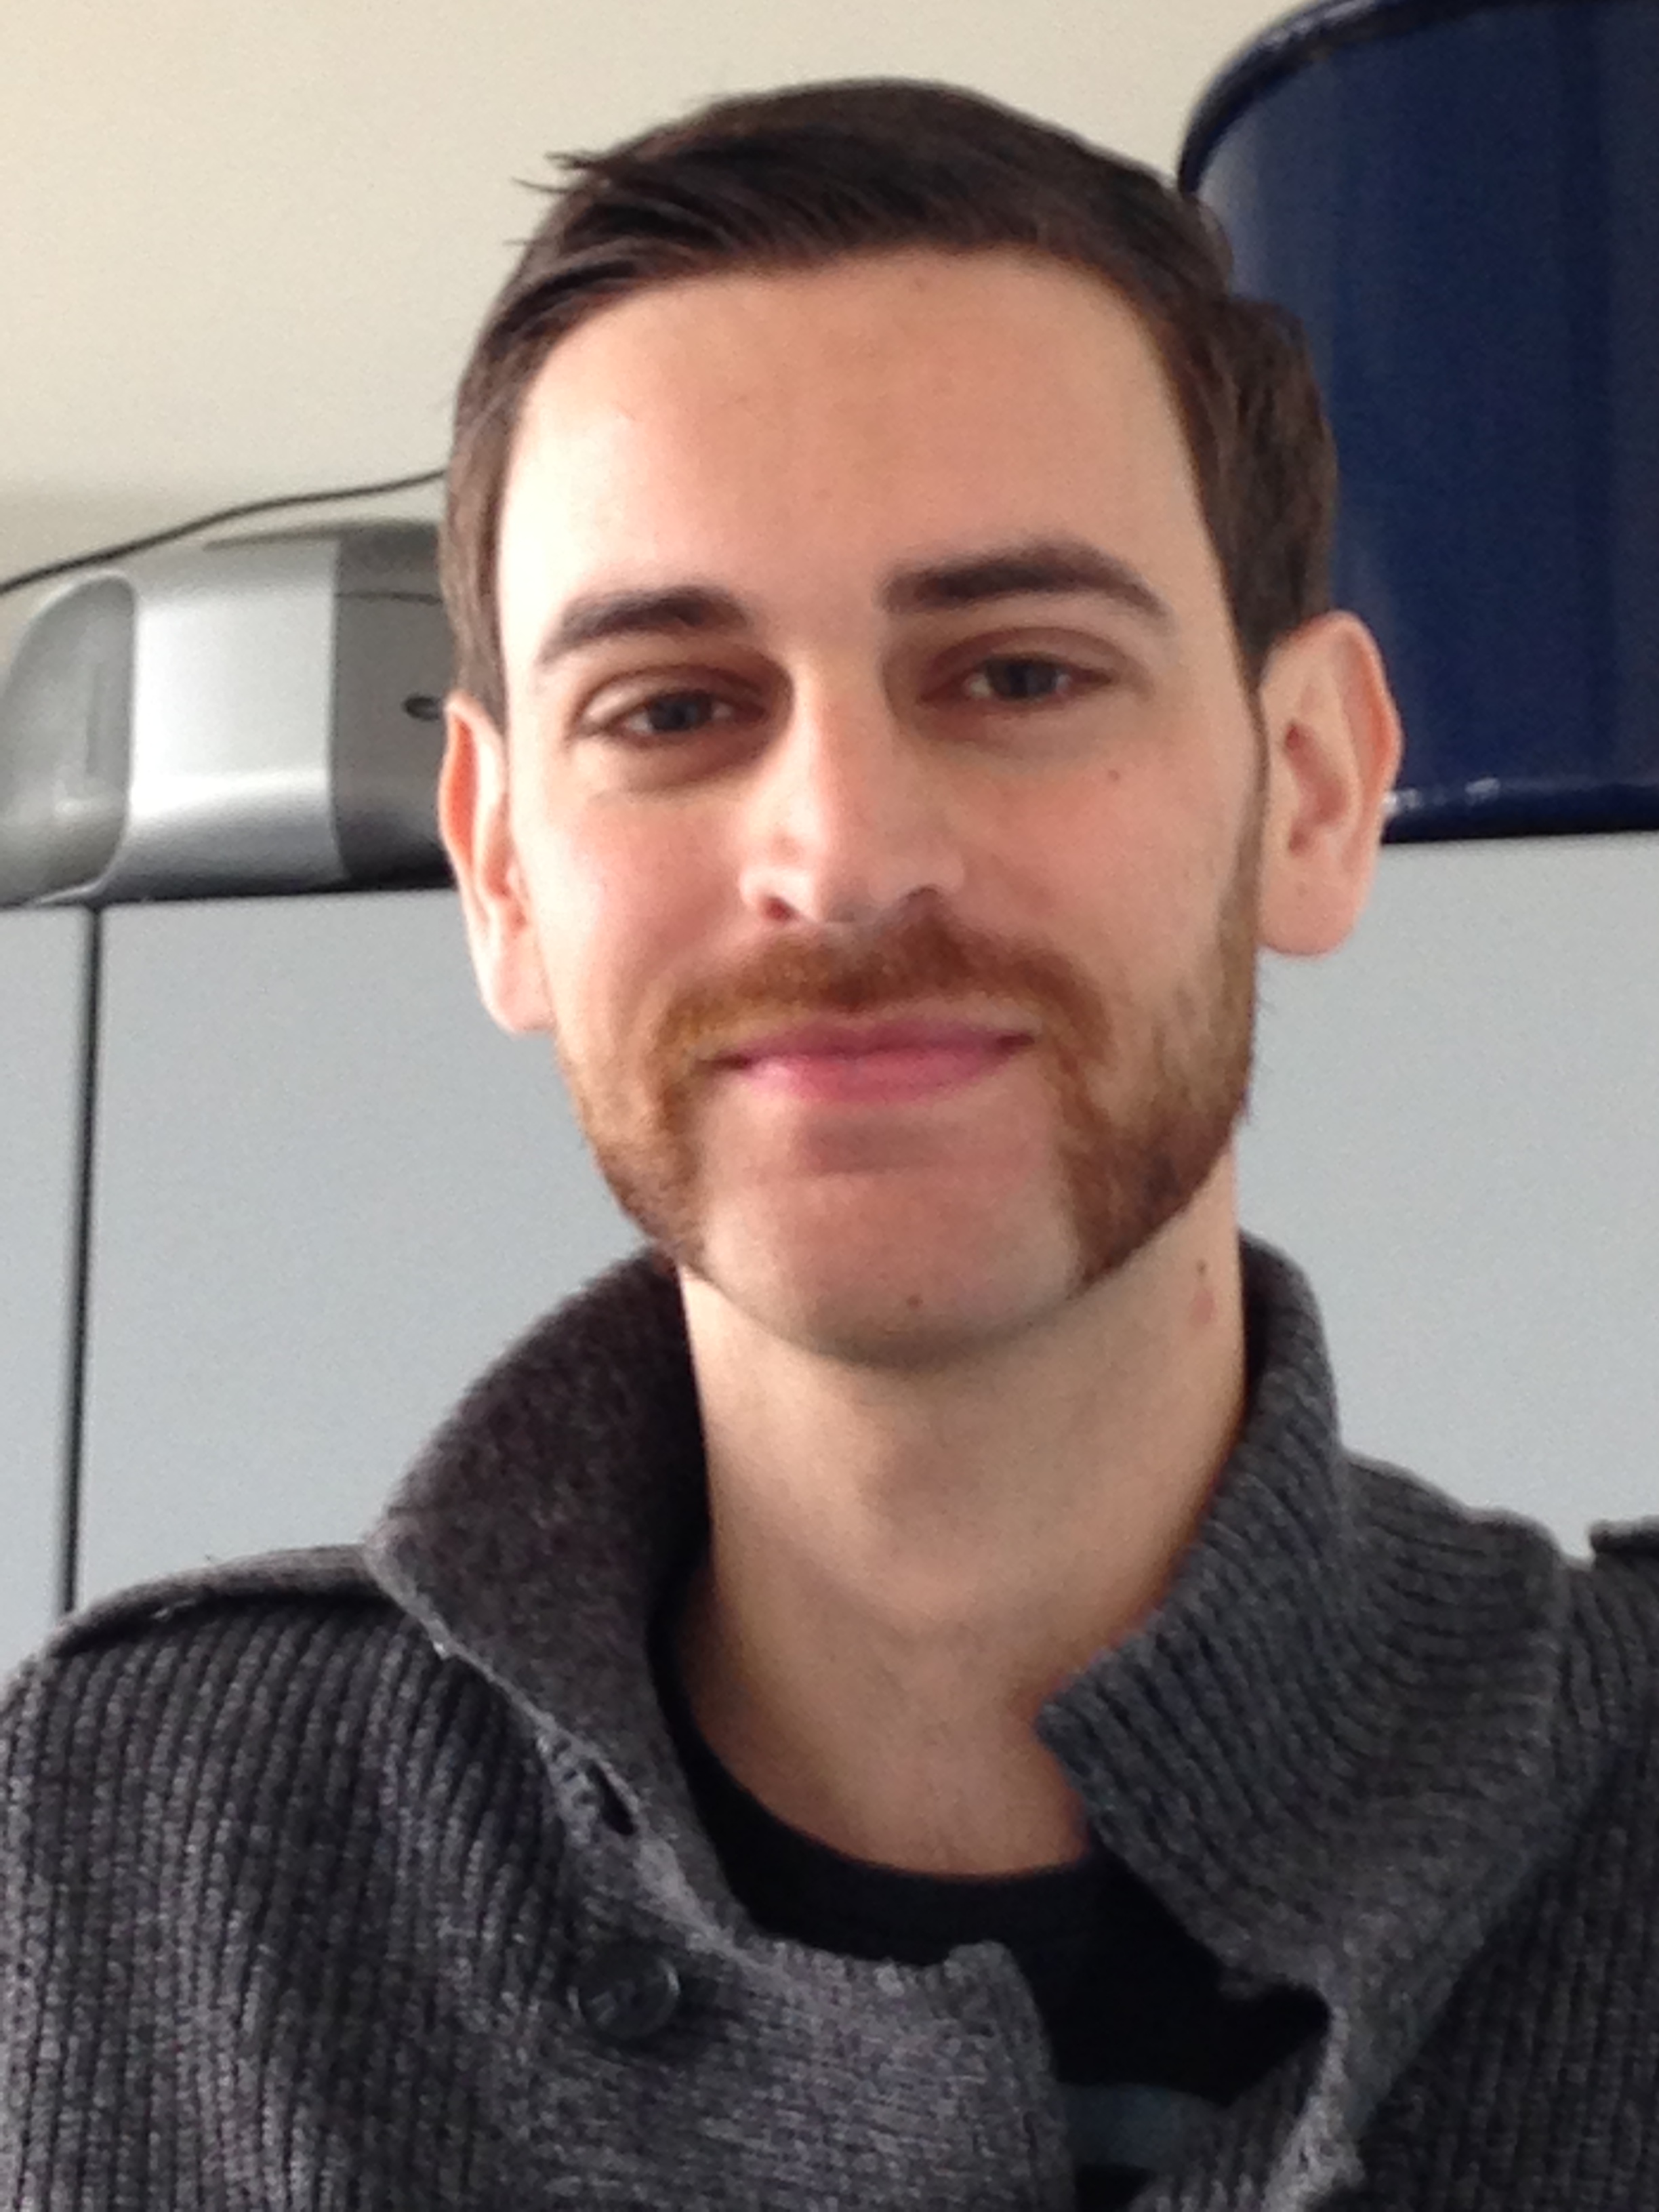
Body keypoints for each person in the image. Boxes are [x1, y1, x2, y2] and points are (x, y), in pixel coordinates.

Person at [5, 77, 1659, 2212]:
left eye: (1020, 673)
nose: (846, 855)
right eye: (675, 708)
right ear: (501, 873)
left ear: (1314, 789)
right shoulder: (105, 1865)